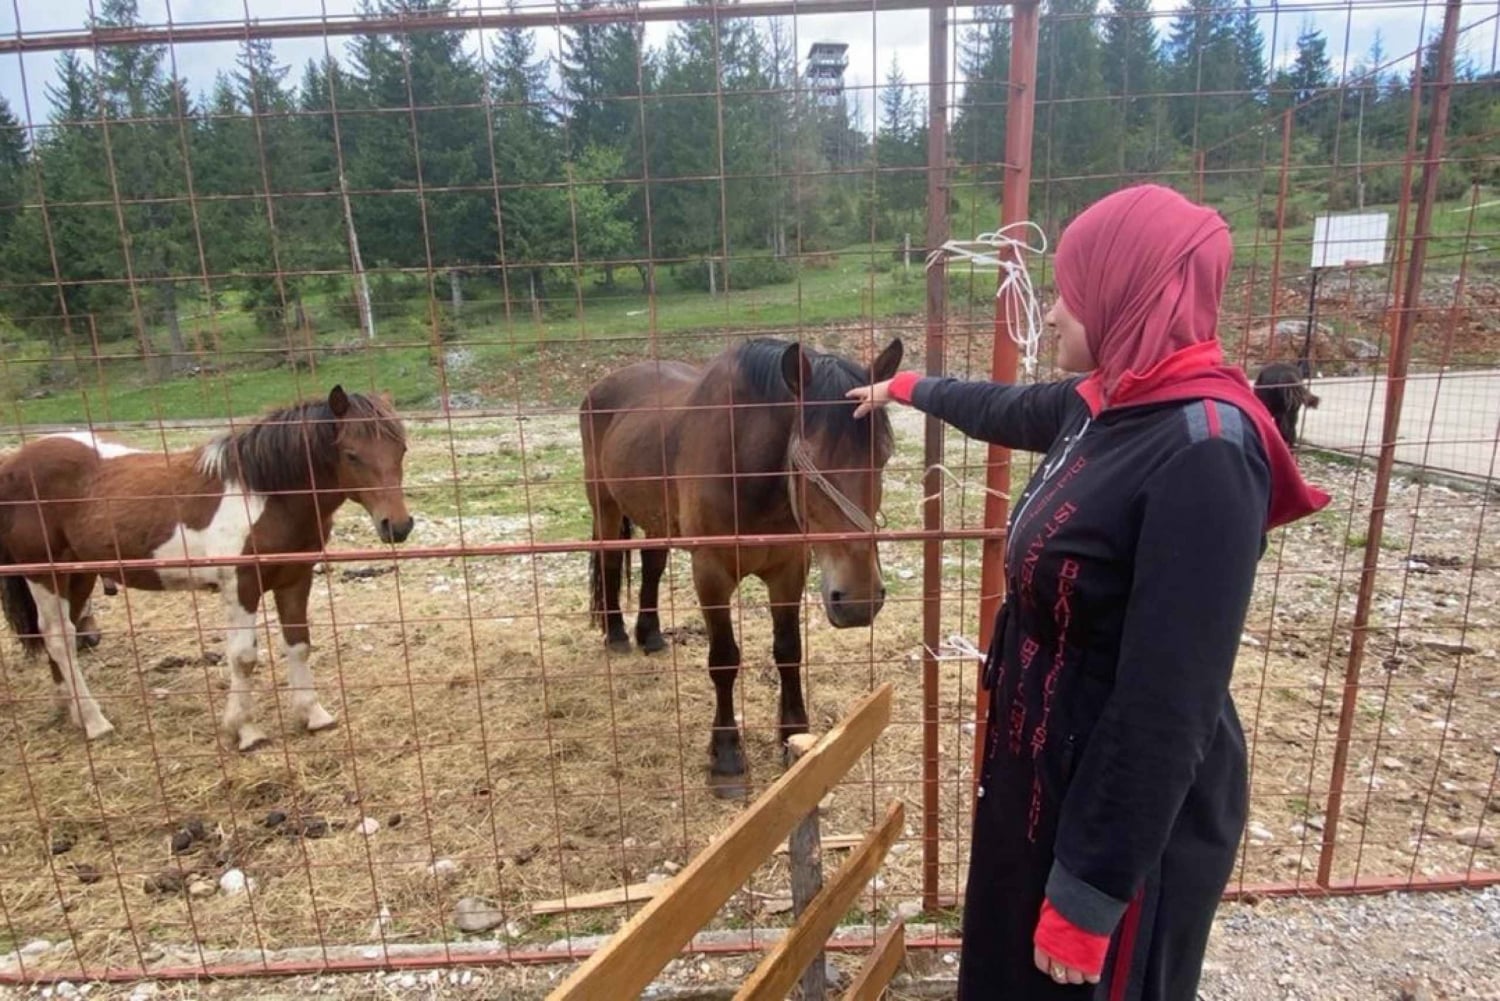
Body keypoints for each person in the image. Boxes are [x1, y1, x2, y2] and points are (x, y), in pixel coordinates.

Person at [847, 184, 1330, 1000]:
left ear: (1127, 292)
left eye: (1072, 289)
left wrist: (1090, 891)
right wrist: (906, 388)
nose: (1055, 309)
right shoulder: (1112, 403)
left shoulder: (1206, 452)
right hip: (1044, 774)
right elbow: (1002, 407)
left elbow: (1166, 706)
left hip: (1117, 818)